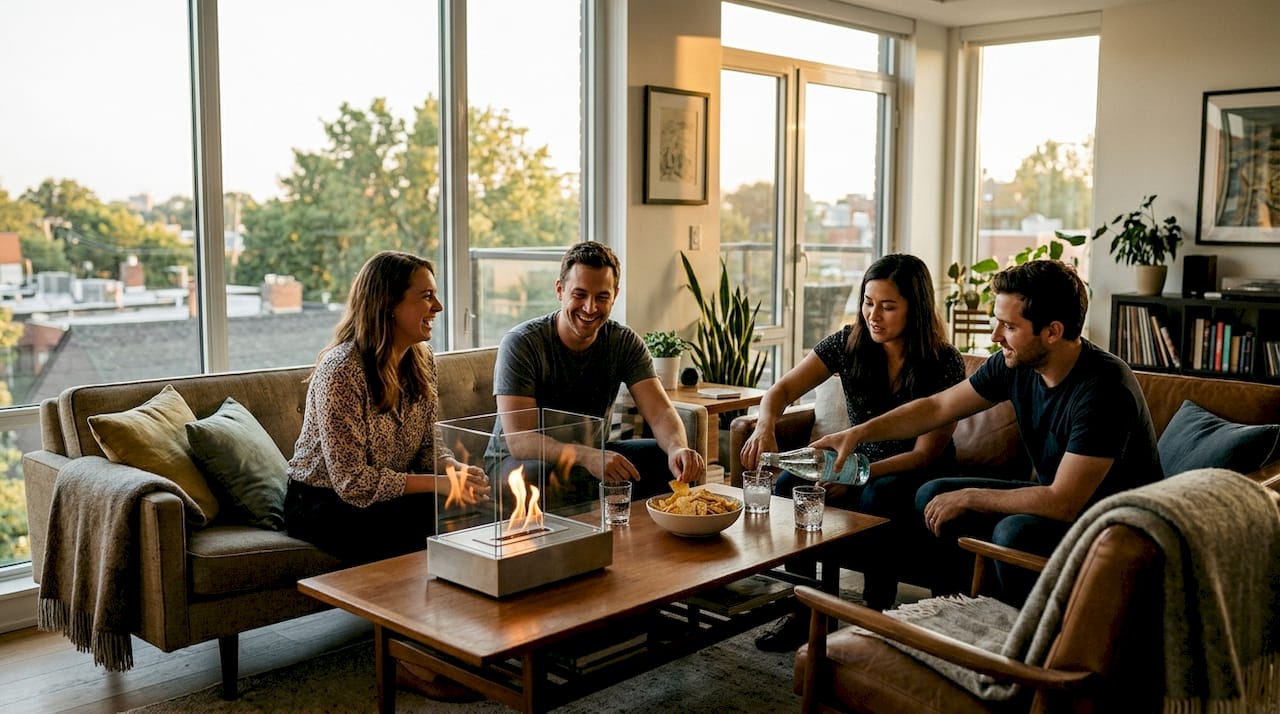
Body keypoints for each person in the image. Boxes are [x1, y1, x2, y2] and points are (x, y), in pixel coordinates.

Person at [813, 259, 1162, 606]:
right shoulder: (1016, 363)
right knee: (932, 495)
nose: (996, 336)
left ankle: (1024, 634)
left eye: (1009, 326)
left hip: (1116, 523)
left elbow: (1064, 501)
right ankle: (949, 610)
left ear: (1053, 331)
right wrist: (858, 434)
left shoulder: (1103, 390)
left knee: (1011, 531)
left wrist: (969, 496)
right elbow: (936, 408)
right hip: (1058, 498)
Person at [284, 250, 489, 702]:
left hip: (385, 489)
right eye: (426, 296)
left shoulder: (422, 360)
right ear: (388, 305)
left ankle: (460, 640)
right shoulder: (340, 372)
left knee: (466, 510)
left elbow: (425, 450)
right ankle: (411, 664)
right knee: (419, 522)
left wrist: (455, 470)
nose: (436, 307)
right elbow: (353, 484)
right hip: (320, 501)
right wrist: (439, 484)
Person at [740, 253, 966, 650]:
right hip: (852, 459)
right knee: (792, 483)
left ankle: (874, 613)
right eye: (868, 302)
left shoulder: (943, 362)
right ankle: (802, 608)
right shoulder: (846, 343)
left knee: (878, 495)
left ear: (916, 308)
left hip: (913, 469)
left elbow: (925, 454)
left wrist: (857, 476)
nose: (873, 315)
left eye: (888, 306)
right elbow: (781, 390)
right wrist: (765, 426)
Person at [492, 241, 704, 506]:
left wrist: (676, 448)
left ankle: (642, 543)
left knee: (665, 461)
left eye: (602, 297)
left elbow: (660, 412)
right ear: (560, 290)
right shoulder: (522, 343)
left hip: (591, 455)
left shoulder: (624, 342)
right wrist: (587, 456)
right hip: (519, 463)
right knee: (543, 474)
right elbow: (520, 440)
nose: (590, 307)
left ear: (615, 294)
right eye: (579, 295)